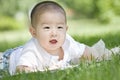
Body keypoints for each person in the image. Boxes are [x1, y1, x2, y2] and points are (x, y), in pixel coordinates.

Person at [0, 1, 120, 75]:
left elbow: (87, 52)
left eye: (59, 27)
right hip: (6, 61)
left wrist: (105, 56)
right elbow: (21, 70)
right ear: (33, 32)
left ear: (66, 29)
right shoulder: (31, 50)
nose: (54, 33)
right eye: (47, 28)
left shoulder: (67, 42)